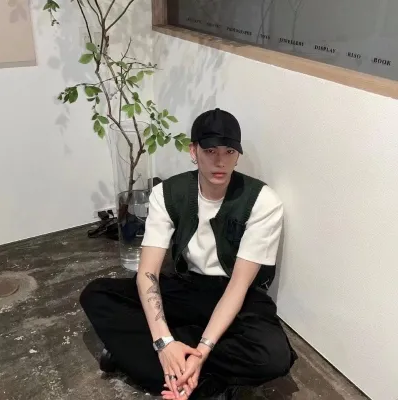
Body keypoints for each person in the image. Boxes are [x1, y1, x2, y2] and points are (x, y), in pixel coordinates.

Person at [80, 108, 297, 399]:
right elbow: (148, 273)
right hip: (187, 286)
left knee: (273, 357)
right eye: (210, 151)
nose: (220, 161)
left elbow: (238, 285)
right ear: (193, 151)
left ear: (237, 155)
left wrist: (202, 351)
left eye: (229, 151)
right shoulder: (168, 193)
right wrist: (163, 342)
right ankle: (185, 367)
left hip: (238, 295)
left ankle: (141, 355)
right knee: (97, 295)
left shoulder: (263, 202)